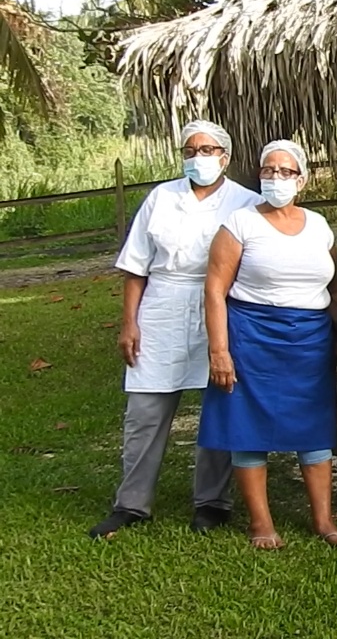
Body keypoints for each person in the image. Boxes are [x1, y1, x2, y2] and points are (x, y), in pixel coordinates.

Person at [90, 120, 261, 540]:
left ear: (225, 155)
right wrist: (129, 322)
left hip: (221, 308)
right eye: (190, 150)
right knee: (145, 411)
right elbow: (136, 266)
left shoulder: (246, 202)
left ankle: (212, 501)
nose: (197, 157)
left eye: (207, 150)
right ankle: (131, 502)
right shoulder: (161, 198)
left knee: (218, 404)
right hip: (162, 304)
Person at [199, 140, 337, 550]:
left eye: (286, 172)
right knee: (248, 427)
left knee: (314, 429)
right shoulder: (240, 224)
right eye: (269, 170)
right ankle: (261, 523)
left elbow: (335, 287)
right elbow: (215, 290)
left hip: (309, 338)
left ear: (301, 179)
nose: (276, 178)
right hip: (252, 335)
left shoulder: (319, 225)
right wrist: (219, 350)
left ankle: (323, 520)